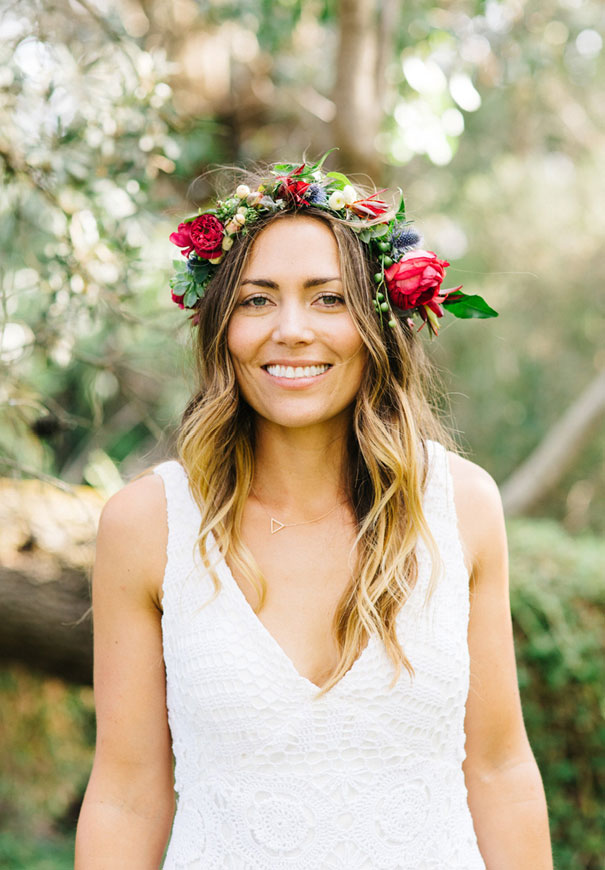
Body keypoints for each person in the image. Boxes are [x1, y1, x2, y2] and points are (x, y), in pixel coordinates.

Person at [75, 154, 553, 869]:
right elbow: (126, 793)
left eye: (328, 299)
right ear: (219, 326)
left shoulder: (459, 507)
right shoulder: (147, 525)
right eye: (257, 299)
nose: (291, 329)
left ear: (379, 322)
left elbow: (498, 771)